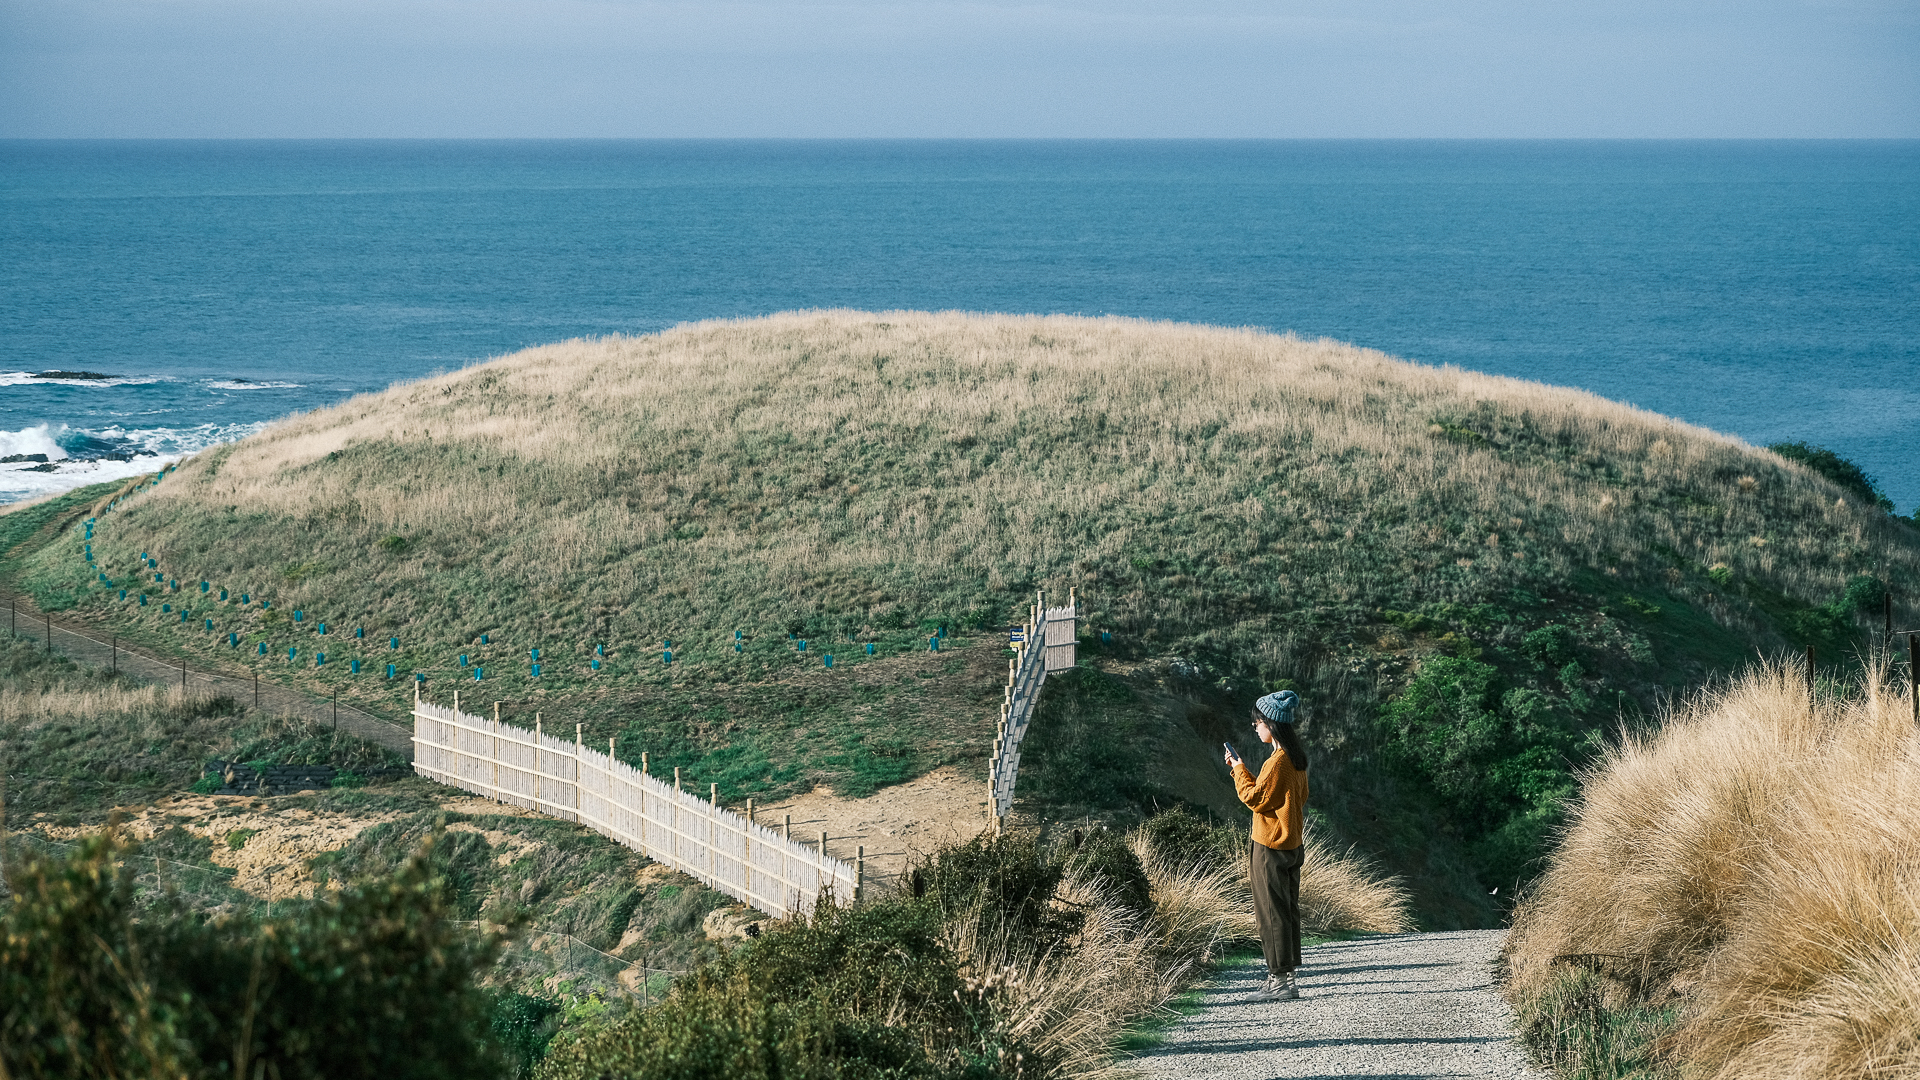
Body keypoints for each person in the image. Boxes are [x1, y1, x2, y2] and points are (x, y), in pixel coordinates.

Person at [1226, 689, 1310, 1000]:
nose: (1255, 727)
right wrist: (1244, 770)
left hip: (1270, 846)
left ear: (1271, 725)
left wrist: (1237, 770)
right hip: (1291, 844)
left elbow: (1255, 798)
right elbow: (1289, 798)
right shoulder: (1296, 759)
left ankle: (1280, 982)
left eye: (1258, 722)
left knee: (1270, 912)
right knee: (1286, 910)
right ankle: (1285, 978)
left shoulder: (1277, 762)